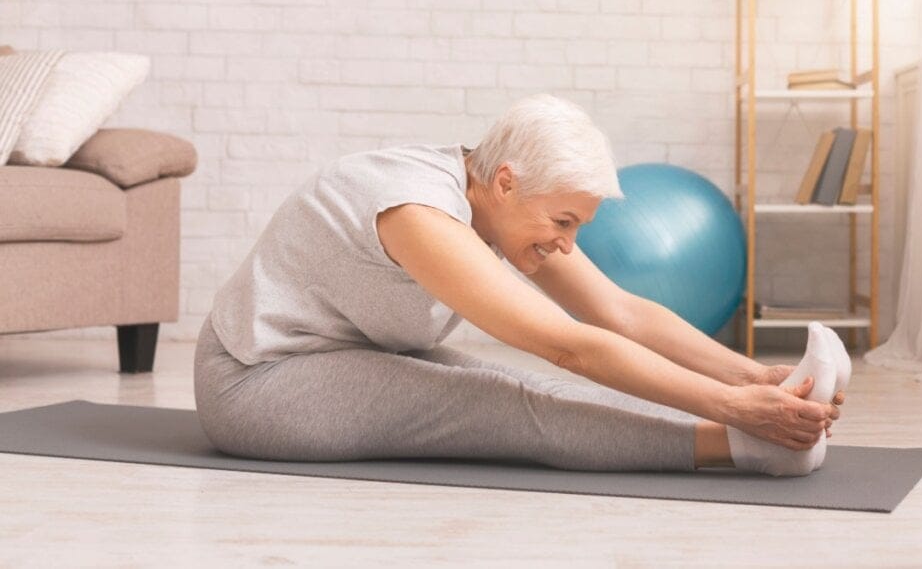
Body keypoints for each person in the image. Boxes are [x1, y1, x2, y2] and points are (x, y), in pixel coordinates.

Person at [193, 93, 845, 476]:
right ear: (506, 181)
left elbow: (619, 312)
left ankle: (749, 430)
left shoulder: (506, 206)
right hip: (255, 379)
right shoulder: (419, 213)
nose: (567, 242)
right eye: (563, 221)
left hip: (340, 353)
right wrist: (729, 409)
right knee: (503, 403)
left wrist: (750, 377)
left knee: (517, 389)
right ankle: (742, 447)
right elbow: (571, 346)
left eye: (578, 226)